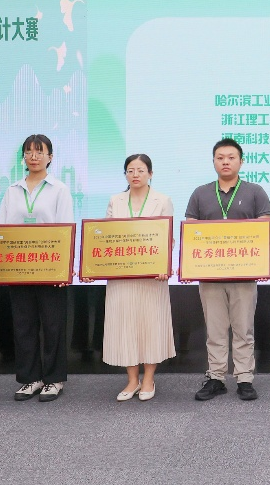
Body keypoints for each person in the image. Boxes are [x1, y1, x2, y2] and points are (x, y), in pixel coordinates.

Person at [184, 138, 270, 402]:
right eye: (220, 157)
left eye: (231, 157)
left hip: (244, 274)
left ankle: (244, 379)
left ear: (241, 161)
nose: (225, 162)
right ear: (213, 161)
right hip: (210, 275)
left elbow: (264, 228)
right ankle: (216, 378)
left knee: (243, 329)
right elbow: (191, 230)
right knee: (215, 330)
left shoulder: (255, 191)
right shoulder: (200, 193)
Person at [0, 134, 75, 402]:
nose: (34, 156)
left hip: (50, 267)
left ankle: (54, 379)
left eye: (40, 152)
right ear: (23, 157)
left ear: (50, 157)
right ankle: (30, 378)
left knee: (53, 325)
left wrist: (65, 269)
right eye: (29, 152)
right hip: (18, 267)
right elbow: (2, 231)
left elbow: (66, 229)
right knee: (23, 325)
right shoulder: (12, 190)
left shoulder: (59, 189)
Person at [100, 154, 176, 402]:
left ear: (150, 174)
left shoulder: (162, 200)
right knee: (126, 327)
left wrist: (164, 265)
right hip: (122, 274)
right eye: (130, 170)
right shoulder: (116, 200)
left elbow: (168, 238)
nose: (135, 175)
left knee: (150, 325)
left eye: (141, 170)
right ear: (125, 174)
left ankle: (149, 379)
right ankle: (132, 380)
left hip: (152, 277)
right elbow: (106, 236)